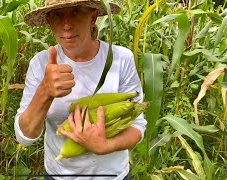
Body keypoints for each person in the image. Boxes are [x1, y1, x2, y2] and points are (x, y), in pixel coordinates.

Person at [14, 0, 147, 179]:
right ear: (49, 21)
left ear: (92, 17)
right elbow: (24, 137)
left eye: (75, 12)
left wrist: (105, 145)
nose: (66, 25)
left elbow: (137, 125)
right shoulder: (40, 64)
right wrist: (44, 92)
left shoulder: (121, 59)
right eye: (57, 15)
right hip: (57, 175)